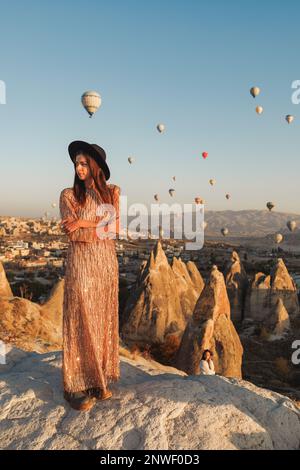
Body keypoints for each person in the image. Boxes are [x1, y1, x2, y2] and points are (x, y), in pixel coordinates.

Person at [59, 140, 121, 411]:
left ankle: (97, 378)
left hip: (106, 265)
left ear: (96, 167)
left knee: (99, 319)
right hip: (81, 265)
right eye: (76, 163)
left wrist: (84, 222)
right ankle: (73, 384)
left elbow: (114, 229)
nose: (79, 167)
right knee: (79, 318)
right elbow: (72, 234)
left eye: (84, 163)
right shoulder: (68, 196)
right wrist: (99, 226)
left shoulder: (113, 192)